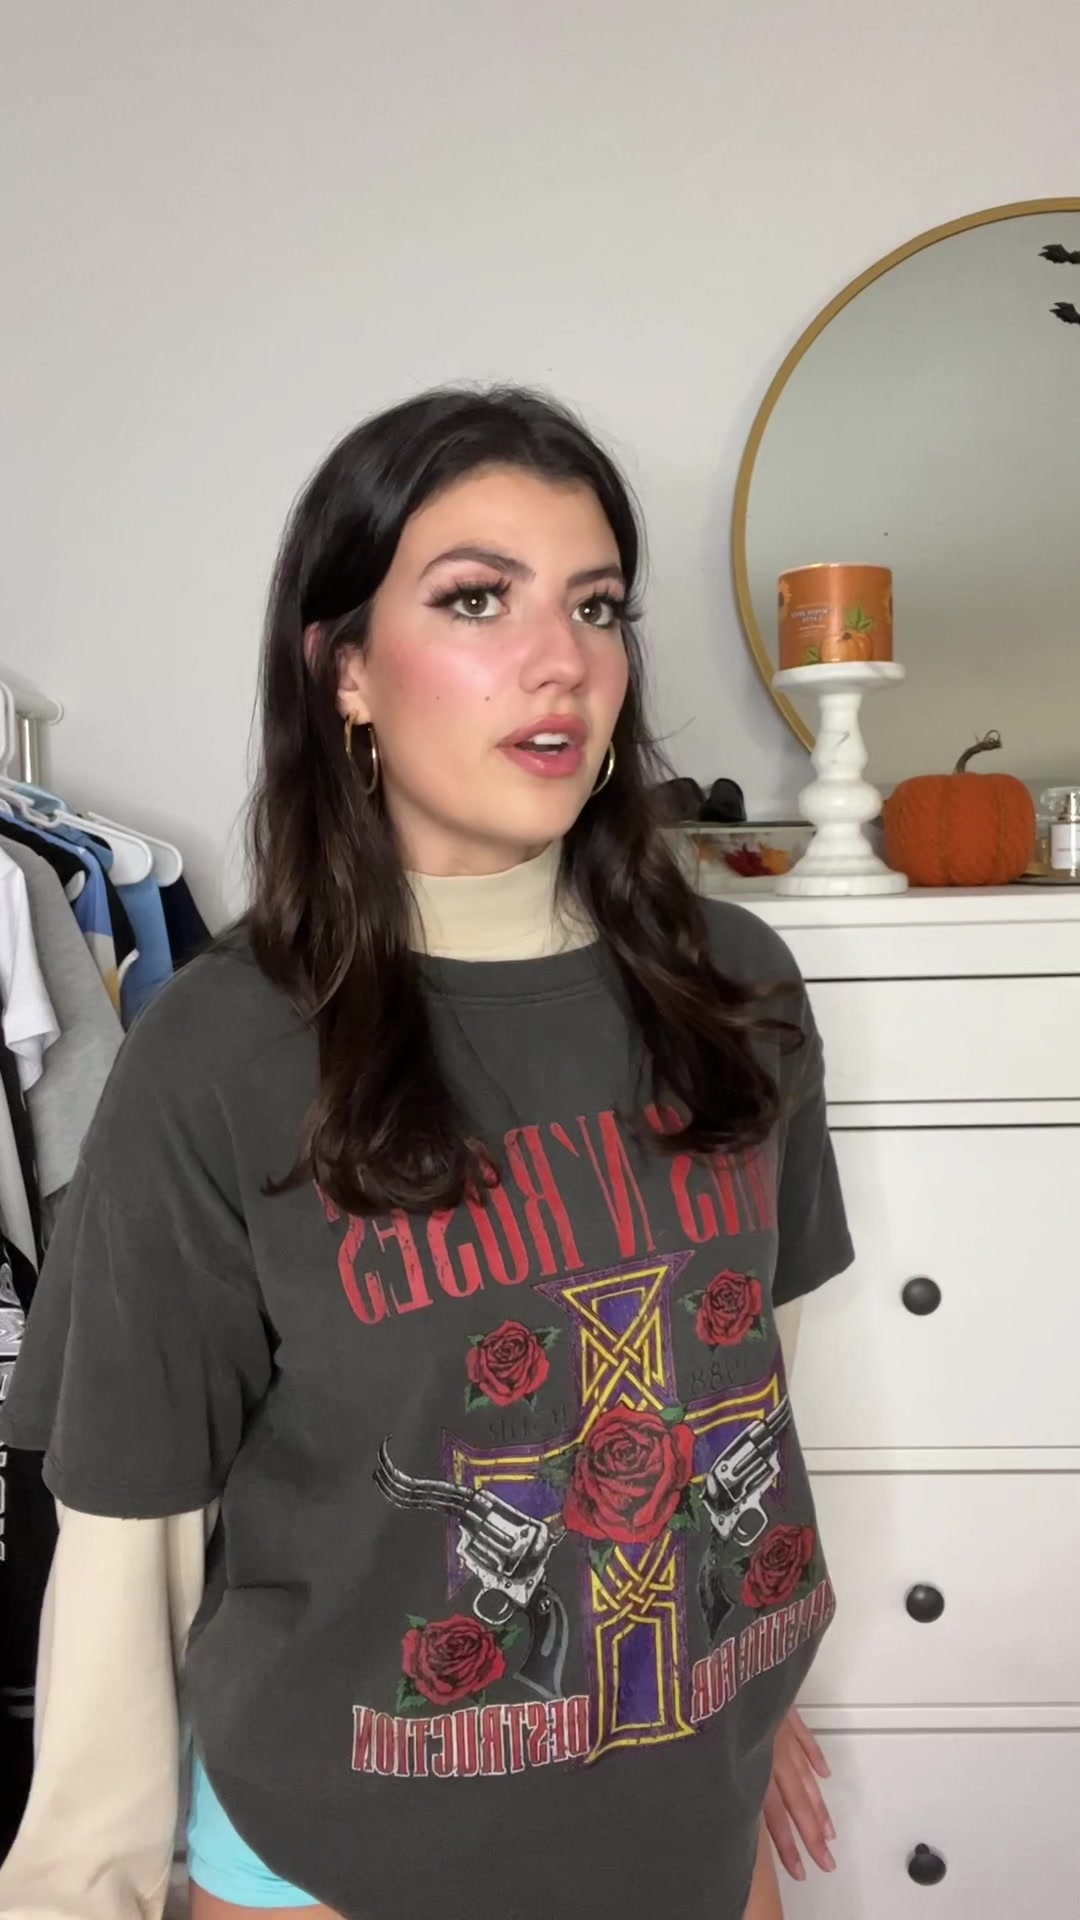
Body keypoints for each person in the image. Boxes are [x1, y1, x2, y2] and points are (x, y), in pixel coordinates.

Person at [0, 387, 852, 1920]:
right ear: (345, 671)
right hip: (335, 1861)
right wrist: (81, 1891)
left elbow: (741, 1377)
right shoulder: (221, 1052)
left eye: (596, 605)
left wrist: (753, 1685)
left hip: (691, 1826)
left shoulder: (738, 993)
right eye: (476, 599)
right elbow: (132, 1539)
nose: (561, 660)